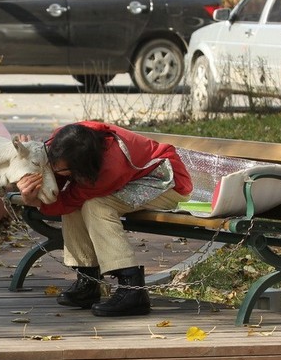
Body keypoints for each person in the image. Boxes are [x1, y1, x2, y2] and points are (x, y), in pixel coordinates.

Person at [16, 121, 193, 317]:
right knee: (81, 204)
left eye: (63, 171)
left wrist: (33, 201)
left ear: (82, 168)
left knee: (97, 205)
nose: (56, 171)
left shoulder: (108, 168)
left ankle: (132, 291)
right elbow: (57, 173)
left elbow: (68, 200)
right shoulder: (63, 140)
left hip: (166, 181)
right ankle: (88, 281)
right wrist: (30, 154)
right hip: (131, 175)